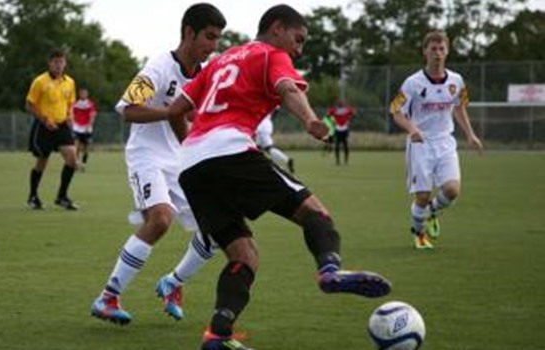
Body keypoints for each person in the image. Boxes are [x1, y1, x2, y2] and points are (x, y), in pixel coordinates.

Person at [167, 5, 392, 350]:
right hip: (230, 149)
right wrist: (310, 120)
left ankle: (218, 335)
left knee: (243, 256)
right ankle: (329, 270)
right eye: (298, 39)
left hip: (191, 165)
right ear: (277, 28)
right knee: (316, 214)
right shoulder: (271, 53)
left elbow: (175, 110)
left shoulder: (220, 59)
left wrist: (195, 147)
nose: (299, 49)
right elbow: (288, 88)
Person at [90, 3, 227, 325]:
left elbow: (195, 118)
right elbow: (127, 109)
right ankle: (108, 297)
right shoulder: (158, 68)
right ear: (188, 32)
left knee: (220, 228)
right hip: (147, 155)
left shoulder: (205, 76)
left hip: (181, 161)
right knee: (161, 218)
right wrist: (170, 112)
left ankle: (173, 284)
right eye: (209, 36)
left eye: (218, 39)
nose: (214, 45)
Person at [389, 30, 483, 250]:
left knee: (452, 190)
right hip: (420, 144)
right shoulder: (412, 83)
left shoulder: (456, 81)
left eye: (441, 49)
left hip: (445, 142)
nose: (438, 53)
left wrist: (470, 134)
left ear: (447, 51)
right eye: (433, 49)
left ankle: (432, 212)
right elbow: (395, 111)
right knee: (422, 195)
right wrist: (412, 128)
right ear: (425, 52)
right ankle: (419, 234)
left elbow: (459, 107)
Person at [26, 49, 78, 210]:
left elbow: (70, 102)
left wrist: (70, 116)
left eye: (61, 62)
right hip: (43, 126)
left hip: (62, 125)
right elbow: (29, 104)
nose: (58, 65)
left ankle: (62, 197)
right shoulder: (40, 81)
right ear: (50, 63)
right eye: (55, 62)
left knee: (72, 159)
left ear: (65, 63)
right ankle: (33, 196)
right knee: (42, 161)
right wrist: (44, 120)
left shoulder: (70, 82)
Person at [71, 88, 97, 171]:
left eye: (85, 93)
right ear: (79, 94)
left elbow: (92, 115)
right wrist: (72, 124)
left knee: (86, 148)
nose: (83, 95)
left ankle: (84, 163)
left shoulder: (90, 104)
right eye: (81, 93)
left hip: (87, 129)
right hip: (77, 128)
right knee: (76, 146)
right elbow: (71, 114)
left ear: (87, 94)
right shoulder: (75, 104)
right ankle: (76, 163)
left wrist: (88, 126)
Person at [326, 100, 355, 165]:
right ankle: (338, 161)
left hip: (345, 128)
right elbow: (328, 115)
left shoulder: (347, 109)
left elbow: (353, 114)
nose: (341, 104)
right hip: (337, 128)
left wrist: (349, 120)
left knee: (345, 145)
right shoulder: (334, 109)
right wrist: (333, 120)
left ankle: (345, 161)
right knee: (337, 145)